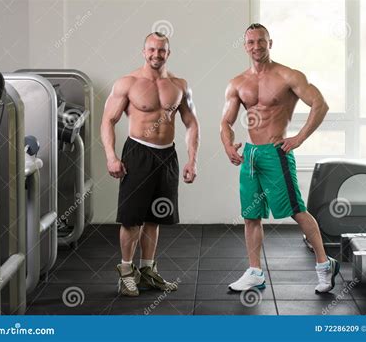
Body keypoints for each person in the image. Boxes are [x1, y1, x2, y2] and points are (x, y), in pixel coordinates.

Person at [220, 23, 339, 293]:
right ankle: (254, 272)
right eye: (251, 42)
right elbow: (225, 121)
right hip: (251, 154)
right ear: (245, 46)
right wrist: (228, 145)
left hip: (277, 153)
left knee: (296, 210)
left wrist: (299, 138)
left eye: (261, 41)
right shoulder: (238, 83)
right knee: (251, 215)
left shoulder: (288, 76)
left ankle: (324, 264)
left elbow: (320, 104)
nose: (256, 47)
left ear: (270, 43)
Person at [101, 32, 200, 296]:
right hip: (138, 153)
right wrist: (111, 156)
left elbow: (191, 123)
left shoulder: (180, 85)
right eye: (152, 50)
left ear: (169, 53)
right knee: (132, 219)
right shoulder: (128, 83)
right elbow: (108, 120)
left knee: (155, 217)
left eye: (162, 50)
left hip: (167, 155)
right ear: (143, 52)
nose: (156, 55)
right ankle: (125, 272)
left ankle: (147, 272)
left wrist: (192, 159)